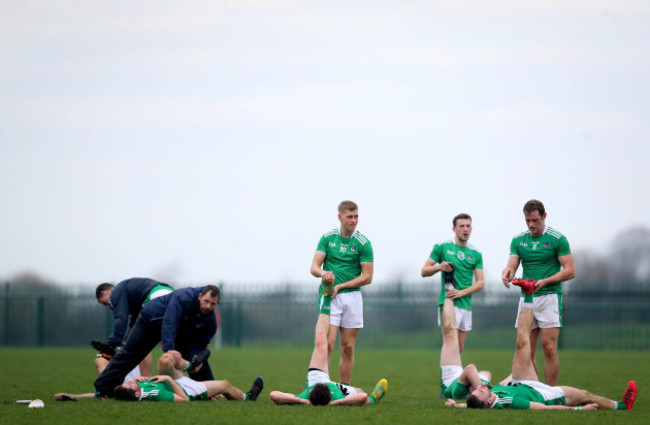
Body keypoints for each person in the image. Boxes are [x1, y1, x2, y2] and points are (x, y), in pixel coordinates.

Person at [448, 291, 637, 410]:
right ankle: (620, 406)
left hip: (522, 382)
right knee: (585, 396)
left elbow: (474, 405)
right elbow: (542, 408)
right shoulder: (509, 403)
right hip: (545, 395)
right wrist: (579, 410)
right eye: (481, 391)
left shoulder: (487, 397)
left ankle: (528, 294)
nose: (480, 387)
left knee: (522, 345)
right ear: (490, 401)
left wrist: (457, 405)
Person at [94, 285, 221, 398]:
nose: (208, 306)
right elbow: (170, 321)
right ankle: (103, 389)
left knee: (198, 361)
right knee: (130, 354)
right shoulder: (184, 296)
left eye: (212, 304)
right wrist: (169, 348)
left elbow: (200, 344)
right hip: (150, 321)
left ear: (217, 303)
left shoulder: (210, 322)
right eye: (206, 301)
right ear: (200, 296)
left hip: (174, 328)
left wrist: (194, 359)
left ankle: (209, 392)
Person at [501, 199, 575, 385]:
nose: (531, 224)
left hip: (549, 296)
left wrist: (545, 281)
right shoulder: (519, 240)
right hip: (527, 299)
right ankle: (536, 389)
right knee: (526, 350)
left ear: (544, 216)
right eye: (528, 221)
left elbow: (570, 271)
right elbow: (511, 265)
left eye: (535, 220)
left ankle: (551, 392)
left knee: (549, 348)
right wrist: (507, 274)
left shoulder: (557, 239)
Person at [310, 200, 373, 385]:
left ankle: (343, 388)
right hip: (330, 296)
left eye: (356, 216)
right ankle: (325, 386)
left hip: (352, 297)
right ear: (340, 217)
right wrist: (324, 273)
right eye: (350, 217)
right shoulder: (328, 238)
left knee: (347, 348)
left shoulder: (363, 243)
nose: (354, 220)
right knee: (327, 345)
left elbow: (368, 277)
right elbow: (314, 267)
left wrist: (342, 285)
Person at [269, 310, 387, 406]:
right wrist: (335, 403)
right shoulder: (337, 395)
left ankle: (325, 299)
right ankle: (373, 399)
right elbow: (362, 397)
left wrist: (302, 401)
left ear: (310, 392)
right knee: (360, 391)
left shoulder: (306, 395)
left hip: (316, 377)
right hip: (335, 394)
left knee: (320, 342)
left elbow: (273, 395)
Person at [56, 352, 264, 403]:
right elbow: (183, 400)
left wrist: (71, 395)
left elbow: (97, 395)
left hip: (175, 383)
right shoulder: (155, 393)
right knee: (225, 384)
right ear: (137, 392)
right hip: (185, 391)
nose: (129, 381)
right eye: (130, 384)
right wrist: (169, 380)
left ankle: (188, 363)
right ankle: (248, 398)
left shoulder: (130, 392)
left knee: (165, 360)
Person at [421, 213, 484, 353]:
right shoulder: (442, 247)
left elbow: (480, 283)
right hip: (448, 302)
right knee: (451, 345)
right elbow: (424, 271)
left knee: (459, 348)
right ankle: (446, 375)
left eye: (468, 226)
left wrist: (462, 292)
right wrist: (439, 267)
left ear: (471, 229)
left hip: (465, 303)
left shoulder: (476, 253)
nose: (465, 229)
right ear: (454, 229)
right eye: (461, 226)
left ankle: (456, 375)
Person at [95, 278, 173, 376]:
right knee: (167, 344)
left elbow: (121, 320)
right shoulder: (131, 294)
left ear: (105, 293)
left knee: (141, 343)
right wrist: (126, 340)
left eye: (105, 303)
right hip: (169, 293)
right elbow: (136, 323)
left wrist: (111, 345)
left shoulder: (116, 293)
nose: (109, 305)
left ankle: (145, 383)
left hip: (155, 296)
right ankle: (175, 380)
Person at [439, 291, 491, 400]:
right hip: (471, 378)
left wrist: (480, 388)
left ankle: (448, 290)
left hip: (452, 376)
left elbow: (470, 368)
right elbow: (487, 373)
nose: (481, 390)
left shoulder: (460, 393)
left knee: (449, 332)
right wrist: (482, 385)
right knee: (486, 373)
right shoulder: (485, 389)